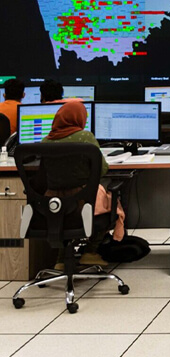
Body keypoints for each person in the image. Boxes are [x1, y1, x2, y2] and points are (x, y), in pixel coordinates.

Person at [42, 100, 112, 268]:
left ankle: (61, 260)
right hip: (82, 203)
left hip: (51, 204)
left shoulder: (45, 141)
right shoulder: (85, 137)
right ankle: (90, 251)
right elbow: (102, 170)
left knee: (64, 217)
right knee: (112, 198)